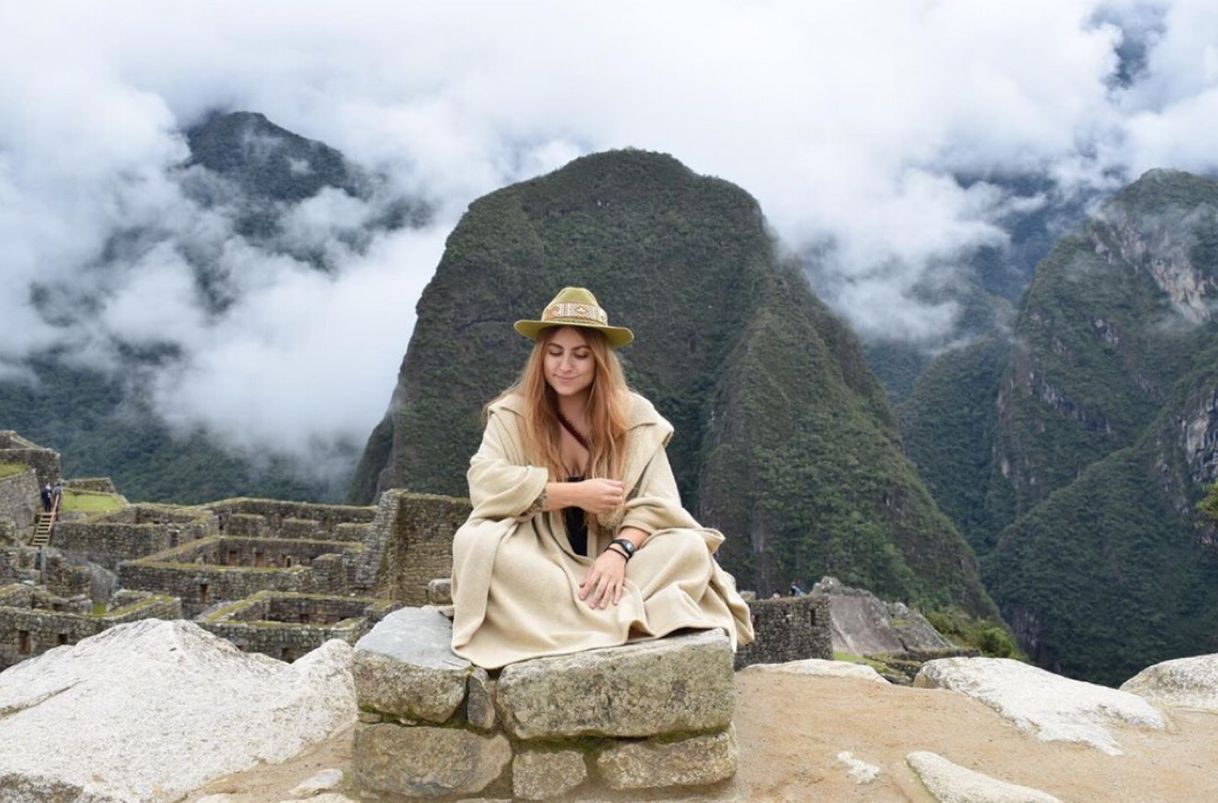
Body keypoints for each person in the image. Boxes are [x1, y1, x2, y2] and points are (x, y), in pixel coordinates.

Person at [450, 286, 755, 668]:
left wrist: (619, 552)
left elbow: (659, 502)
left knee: (689, 550)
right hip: (541, 555)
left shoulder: (634, 416)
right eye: (555, 353)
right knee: (473, 542)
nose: (565, 366)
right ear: (540, 357)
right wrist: (574, 493)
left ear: (599, 362)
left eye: (581, 355)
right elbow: (485, 481)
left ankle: (568, 619)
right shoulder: (513, 415)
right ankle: (619, 616)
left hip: (615, 562)